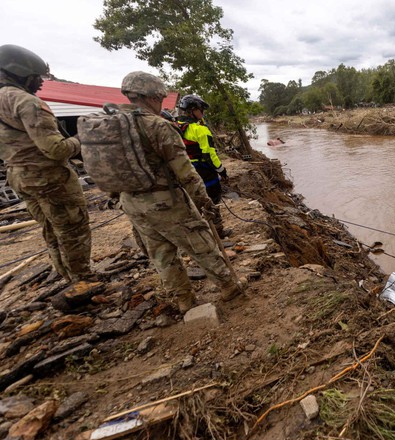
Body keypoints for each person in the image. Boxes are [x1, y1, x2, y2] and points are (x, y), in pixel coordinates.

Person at [116, 71, 243, 312]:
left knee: (161, 255)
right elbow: (185, 172)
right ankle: (228, 286)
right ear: (153, 97)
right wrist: (203, 201)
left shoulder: (108, 122)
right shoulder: (158, 125)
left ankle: (184, 299)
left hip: (130, 202)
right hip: (166, 199)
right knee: (200, 242)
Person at [0, 44, 93, 282]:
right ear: (21, 74)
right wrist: (80, 138)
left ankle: (67, 276)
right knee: (72, 229)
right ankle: (82, 281)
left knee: (51, 230)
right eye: (36, 78)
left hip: (19, 176)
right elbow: (56, 149)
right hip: (49, 177)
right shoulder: (26, 102)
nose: (40, 83)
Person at [175, 94, 231, 238]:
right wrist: (222, 171)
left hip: (184, 170)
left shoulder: (175, 127)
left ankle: (199, 234)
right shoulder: (200, 130)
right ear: (193, 110)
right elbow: (209, 154)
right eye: (201, 110)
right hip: (204, 171)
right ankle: (218, 232)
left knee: (192, 203)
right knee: (212, 200)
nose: (203, 113)